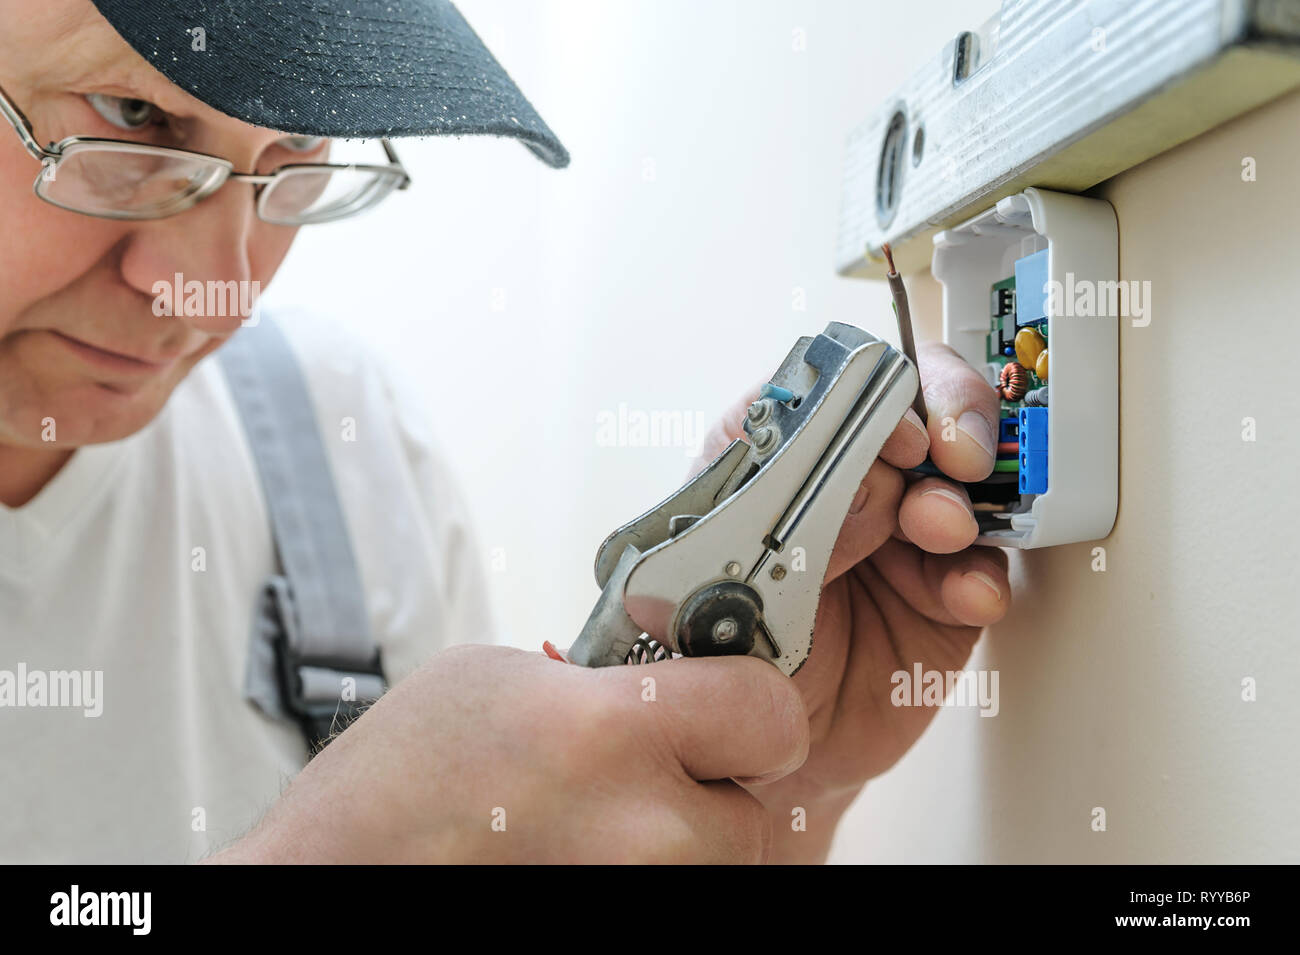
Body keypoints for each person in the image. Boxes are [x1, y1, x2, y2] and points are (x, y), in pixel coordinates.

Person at [0, 0, 1009, 864]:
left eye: (296, 144)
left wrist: (776, 797)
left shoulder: (341, 448)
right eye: (131, 116)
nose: (213, 289)